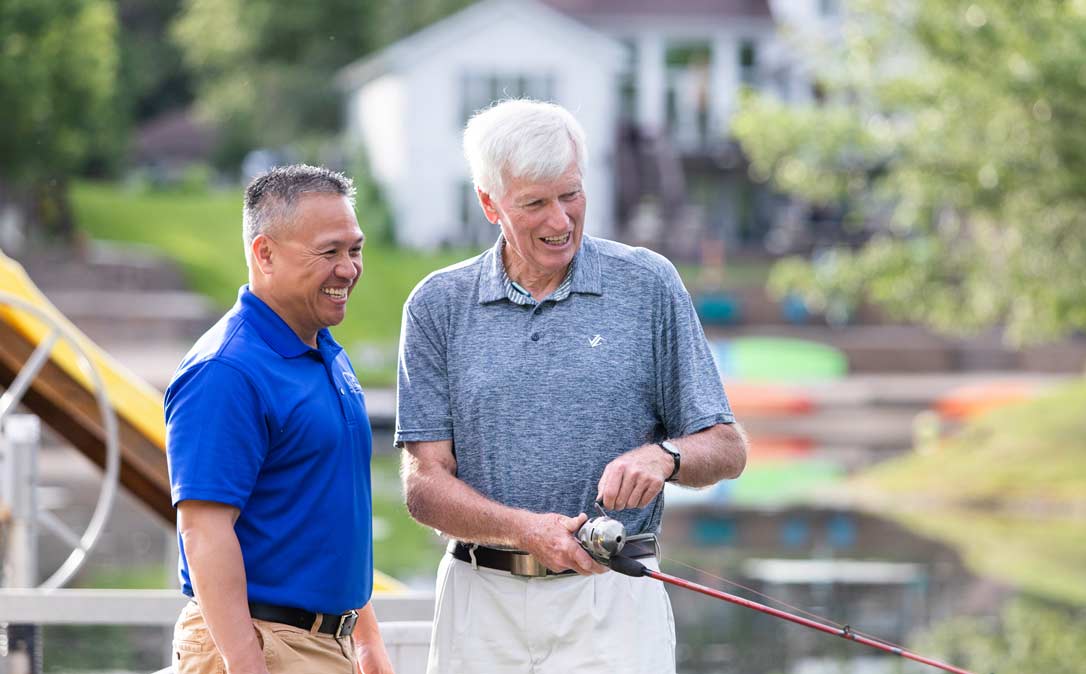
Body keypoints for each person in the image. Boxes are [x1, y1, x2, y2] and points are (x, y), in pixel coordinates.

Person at [396, 99, 748, 673]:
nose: (560, 221)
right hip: (479, 606)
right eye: (535, 203)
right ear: (489, 203)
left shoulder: (649, 285)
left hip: (614, 604)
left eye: (571, 195)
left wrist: (663, 457)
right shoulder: (437, 304)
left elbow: (727, 448)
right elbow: (424, 486)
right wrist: (525, 531)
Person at [165, 165, 393, 674]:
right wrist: (248, 664)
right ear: (264, 254)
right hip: (262, 644)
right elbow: (203, 532)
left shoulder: (324, 351)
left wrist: (366, 639)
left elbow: (328, 516)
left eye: (354, 250)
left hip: (323, 643)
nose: (348, 269)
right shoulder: (225, 371)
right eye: (329, 252)